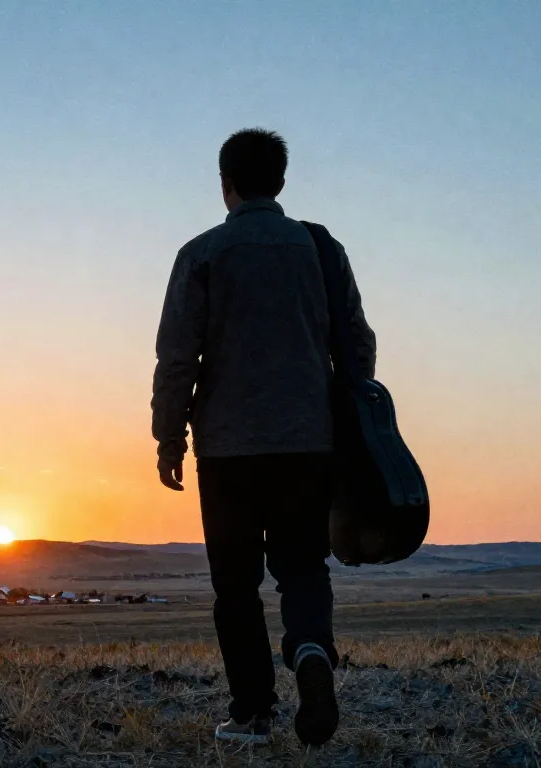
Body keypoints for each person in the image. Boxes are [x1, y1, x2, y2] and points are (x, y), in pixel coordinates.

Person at [150, 128, 376, 746]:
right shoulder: (319, 250)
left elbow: (176, 359)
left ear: (225, 183)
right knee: (304, 568)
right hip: (309, 443)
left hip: (227, 451)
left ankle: (252, 713)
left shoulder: (201, 254)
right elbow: (357, 341)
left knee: (236, 585)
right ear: (280, 181)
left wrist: (169, 437)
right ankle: (311, 656)